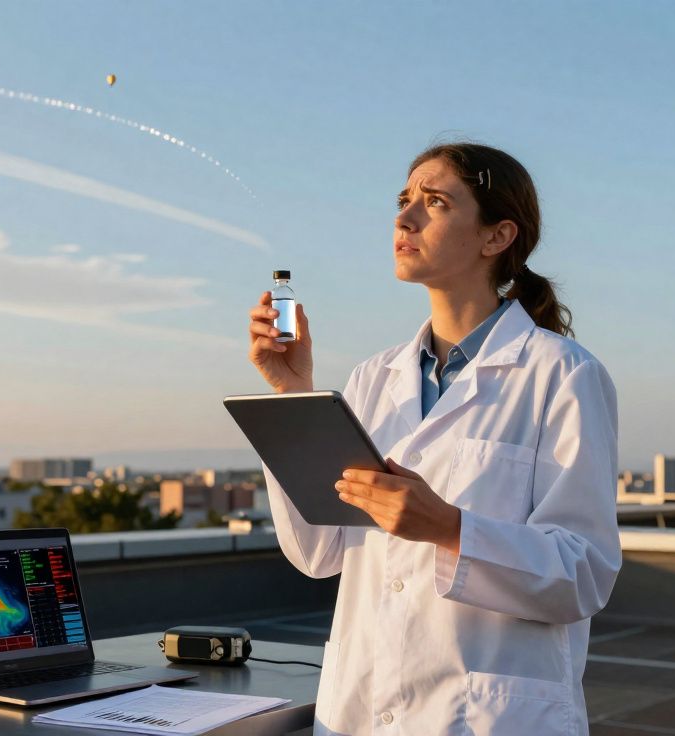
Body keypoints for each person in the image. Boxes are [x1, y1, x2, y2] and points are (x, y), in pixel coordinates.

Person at [246, 142, 620, 735]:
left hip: (489, 718)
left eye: (435, 202)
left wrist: (449, 527)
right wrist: (296, 396)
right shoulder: (374, 378)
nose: (404, 218)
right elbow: (319, 555)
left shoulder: (563, 374)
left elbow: (584, 575)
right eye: (404, 200)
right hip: (361, 713)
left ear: (496, 237)